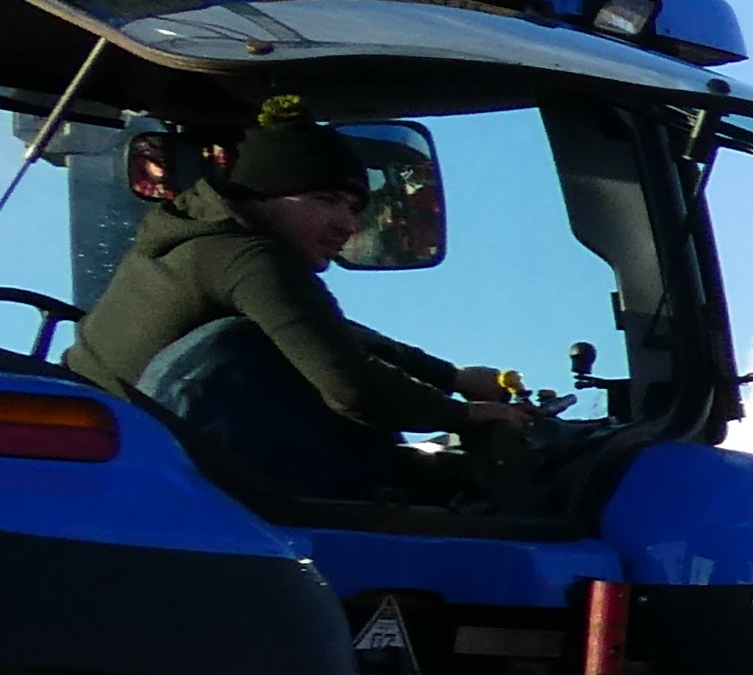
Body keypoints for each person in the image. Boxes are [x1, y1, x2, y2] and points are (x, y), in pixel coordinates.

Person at [68, 101, 516, 500]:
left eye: (351, 208)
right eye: (326, 200)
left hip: (114, 459)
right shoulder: (247, 257)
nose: (347, 226)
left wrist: (451, 376)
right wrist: (466, 417)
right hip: (155, 478)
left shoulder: (201, 239)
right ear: (264, 195)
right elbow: (350, 386)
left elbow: (322, 332)